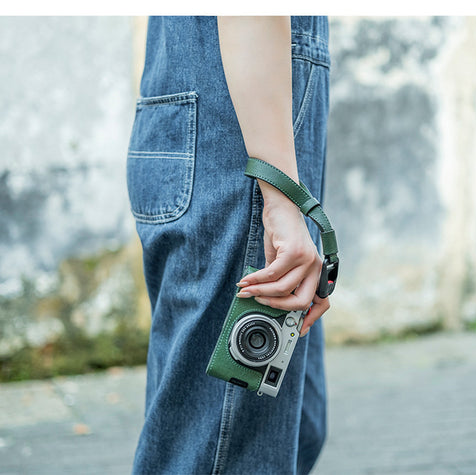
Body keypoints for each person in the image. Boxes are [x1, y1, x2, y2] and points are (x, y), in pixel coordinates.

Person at [126, 15, 331, 474]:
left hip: (222, 139)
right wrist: (280, 194)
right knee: (219, 451)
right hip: (240, 158)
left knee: (287, 428)